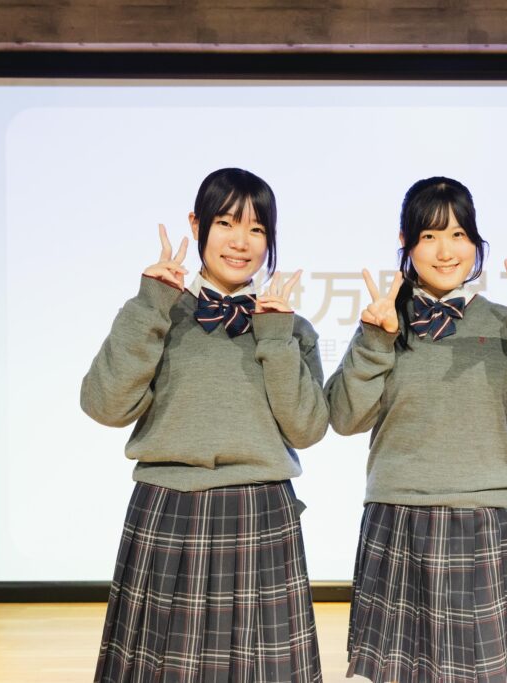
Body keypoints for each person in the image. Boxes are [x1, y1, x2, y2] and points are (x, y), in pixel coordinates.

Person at [82, 167, 327, 683]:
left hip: (261, 511)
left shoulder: (290, 328)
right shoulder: (159, 312)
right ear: (197, 225)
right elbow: (105, 405)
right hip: (169, 508)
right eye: (226, 223)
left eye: (257, 229)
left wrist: (275, 336)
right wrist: (151, 304)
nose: (241, 242)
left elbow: (306, 429)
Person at [325, 176, 507, 683]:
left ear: (476, 242)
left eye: (458, 234)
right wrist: (375, 340)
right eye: (429, 235)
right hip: (399, 515)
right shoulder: (384, 321)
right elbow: (345, 419)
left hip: (486, 518)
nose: (445, 250)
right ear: (406, 243)